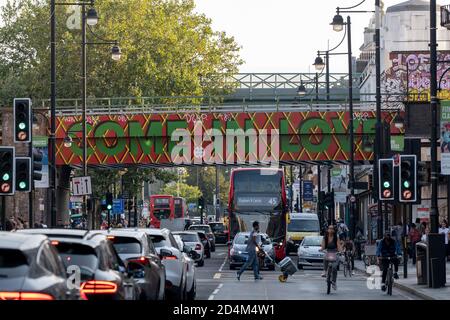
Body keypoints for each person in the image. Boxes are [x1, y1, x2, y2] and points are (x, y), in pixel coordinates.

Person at [321, 225, 343, 290]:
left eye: (332, 229)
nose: (330, 230)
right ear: (327, 230)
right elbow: (323, 246)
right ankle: (325, 271)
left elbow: (338, 245)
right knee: (324, 257)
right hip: (328, 252)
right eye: (329, 228)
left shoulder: (336, 237)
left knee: (334, 268)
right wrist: (322, 249)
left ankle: (334, 282)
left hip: (335, 252)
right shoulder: (325, 237)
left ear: (334, 230)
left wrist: (341, 251)